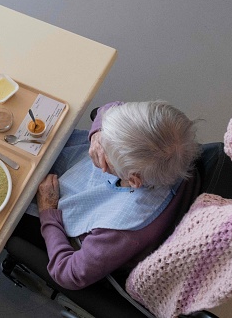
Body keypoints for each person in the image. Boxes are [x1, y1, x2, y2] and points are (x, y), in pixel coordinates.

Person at [14, 101, 202, 290]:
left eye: (105, 153)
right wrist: (97, 134)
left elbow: (68, 274)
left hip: (65, 224)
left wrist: (48, 211)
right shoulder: (171, 141)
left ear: (133, 181)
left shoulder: (120, 232)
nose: (95, 150)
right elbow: (111, 107)